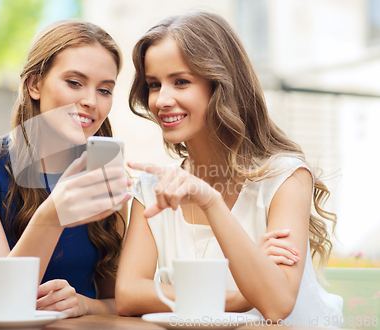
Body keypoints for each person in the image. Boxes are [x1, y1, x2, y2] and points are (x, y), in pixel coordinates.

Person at [115, 11, 343, 326]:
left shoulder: (286, 178)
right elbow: (128, 294)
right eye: (154, 84)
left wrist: (209, 201)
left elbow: (276, 305)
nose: (162, 99)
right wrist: (241, 296)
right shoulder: (154, 186)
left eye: (181, 82)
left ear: (220, 85)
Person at [0, 20, 131, 317]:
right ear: (34, 84)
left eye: (105, 90)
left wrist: (85, 304)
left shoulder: (105, 178)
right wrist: (53, 215)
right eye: (74, 83)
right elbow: (3, 300)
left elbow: (121, 303)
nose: (90, 101)